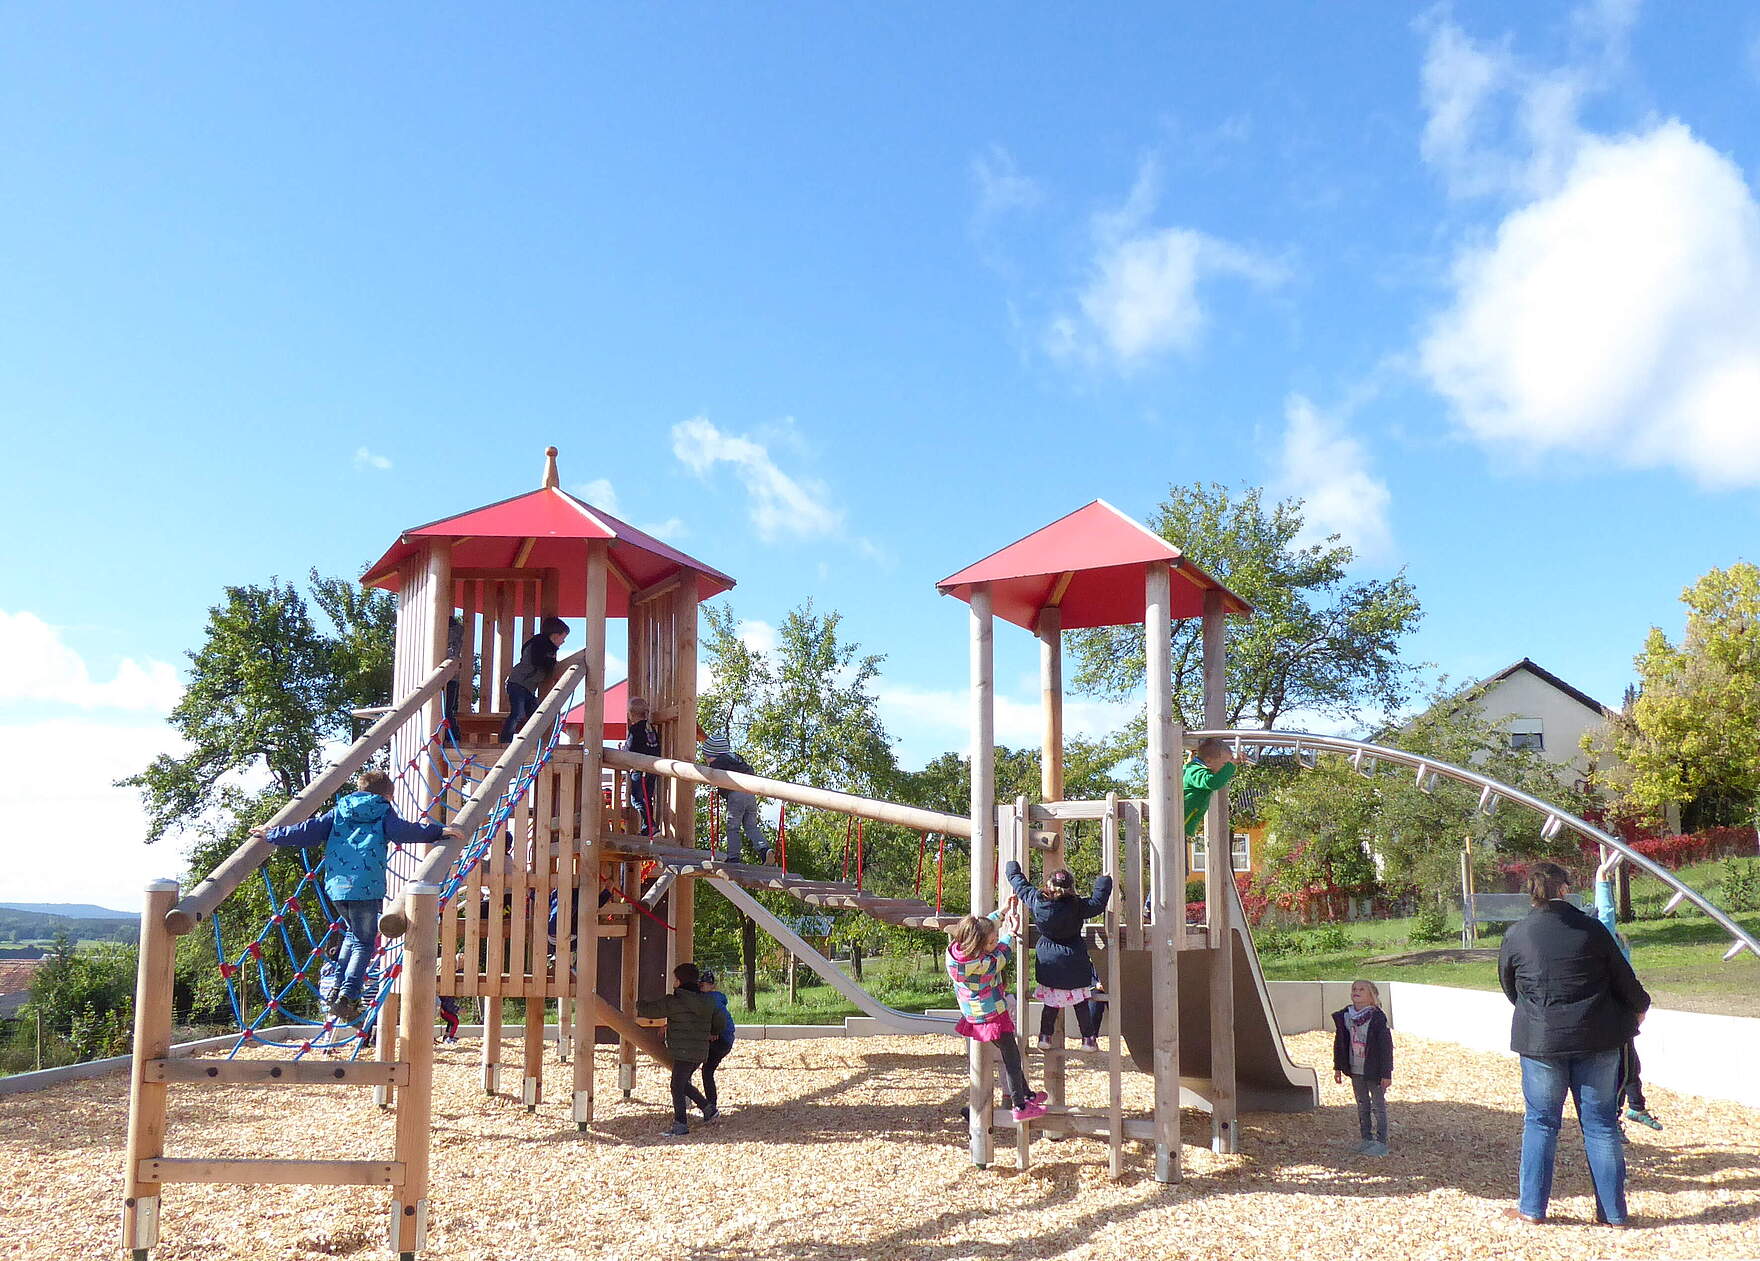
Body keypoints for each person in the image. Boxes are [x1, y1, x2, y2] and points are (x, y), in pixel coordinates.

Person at [1499, 861, 1651, 1228]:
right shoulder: (1592, 930)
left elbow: (1509, 986)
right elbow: (1625, 981)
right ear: (1565, 889)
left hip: (1541, 1039)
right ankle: (1613, 1213)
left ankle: (1532, 1209)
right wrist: (1639, 1009)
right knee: (1601, 1126)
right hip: (1596, 1036)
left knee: (1540, 1123)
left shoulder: (1517, 934)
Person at [254, 770, 462, 1024]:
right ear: (388, 794)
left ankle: (335, 988)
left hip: (337, 888)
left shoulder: (340, 809)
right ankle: (347, 995)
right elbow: (404, 831)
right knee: (365, 942)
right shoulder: (383, 809)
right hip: (366, 886)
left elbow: (308, 830)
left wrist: (272, 833)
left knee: (353, 936)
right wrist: (439, 832)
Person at [945, 900, 1047, 1123]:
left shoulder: (956, 952)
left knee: (1011, 1054)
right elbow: (1001, 956)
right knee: (1011, 1058)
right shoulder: (980, 964)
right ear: (979, 945)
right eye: (990, 942)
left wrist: (1002, 913)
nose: (994, 942)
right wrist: (1011, 933)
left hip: (976, 1014)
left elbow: (982, 927)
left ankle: (1027, 1094)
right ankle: (1020, 1105)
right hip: (990, 1014)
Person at [1003, 860, 1113, 1052]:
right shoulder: (1077, 905)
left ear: (1047, 885)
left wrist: (1013, 868)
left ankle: (1045, 1037)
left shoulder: (1037, 900)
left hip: (1048, 960)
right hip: (1074, 959)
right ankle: (1088, 1039)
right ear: (1071, 887)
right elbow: (1097, 903)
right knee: (1080, 1002)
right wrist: (1104, 881)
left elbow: (1020, 885)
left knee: (1051, 1003)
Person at [1593, 853, 1662, 1134]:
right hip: (1613, 1015)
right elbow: (1606, 914)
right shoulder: (1604, 937)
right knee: (1620, 1069)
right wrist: (1602, 881)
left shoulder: (1616, 943)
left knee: (1630, 1064)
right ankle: (1615, 1117)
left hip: (1623, 1011)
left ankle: (1634, 1107)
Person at [636, 961, 729, 1136]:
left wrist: (637, 1002)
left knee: (677, 1086)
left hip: (683, 1052)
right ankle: (708, 1110)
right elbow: (721, 1021)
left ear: (679, 982)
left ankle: (681, 1125)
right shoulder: (708, 1001)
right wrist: (713, 1031)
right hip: (700, 1051)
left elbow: (651, 1010)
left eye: (675, 979)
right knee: (682, 1083)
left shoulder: (674, 1002)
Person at [1332, 979, 1394, 1156]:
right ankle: (1366, 1138)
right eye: (1354, 989)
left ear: (1371, 996)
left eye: (1361, 989)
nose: (1356, 992)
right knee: (1362, 1104)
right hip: (1355, 1067)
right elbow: (1340, 1043)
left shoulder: (1377, 1018)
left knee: (1378, 1105)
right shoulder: (1345, 1016)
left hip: (1373, 1070)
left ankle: (1381, 1142)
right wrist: (1338, 1066)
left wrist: (1386, 1073)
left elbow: (1385, 1047)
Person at [700, 733, 771, 864]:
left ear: (713, 755)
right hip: (750, 794)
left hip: (736, 795)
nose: (707, 761)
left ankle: (733, 857)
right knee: (751, 826)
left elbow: (712, 776)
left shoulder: (719, 762)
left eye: (707, 757)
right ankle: (764, 849)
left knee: (732, 827)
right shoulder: (736, 758)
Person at [499, 615, 570, 744]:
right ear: (554, 636)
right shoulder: (539, 644)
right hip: (518, 683)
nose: (563, 642)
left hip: (527, 687)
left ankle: (531, 742)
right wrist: (552, 665)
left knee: (534, 715)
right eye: (563, 638)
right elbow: (537, 661)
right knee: (517, 713)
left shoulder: (546, 647)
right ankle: (505, 741)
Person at [1184, 738, 1239, 839]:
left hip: (1184, 825)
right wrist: (1231, 766)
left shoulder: (1193, 768)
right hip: (1181, 825)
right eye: (1224, 764)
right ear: (1208, 761)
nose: (1225, 767)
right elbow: (1212, 782)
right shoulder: (1196, 771)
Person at [624, 696, 663, 836]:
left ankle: (651, 825)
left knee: (637, 799)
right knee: (647, 797)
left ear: (631, 714)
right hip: (652, 769)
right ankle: (648, 826)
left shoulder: (635, 730)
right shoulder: (650, 729)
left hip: (639, 770)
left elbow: (630, 749)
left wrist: (623, 753)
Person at [698, 969, 735, 1117]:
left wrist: (714, 1032)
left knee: (702, 1070)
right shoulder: (718, 998)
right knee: (707, 1071)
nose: (702, 987)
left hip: (720, 1039)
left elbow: (719, 1019)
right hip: (727, 1040)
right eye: (701, 984)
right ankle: (711, 1103)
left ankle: (710, 1105)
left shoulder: (709, 1000)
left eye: (704, 984)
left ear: (711, 986)